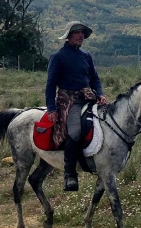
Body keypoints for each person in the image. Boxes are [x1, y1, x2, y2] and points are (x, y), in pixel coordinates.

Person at [45, 21, 108, 191]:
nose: (81, 35)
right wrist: (51, 109)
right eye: (77, 32)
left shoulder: (86, 55)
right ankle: (70, 174)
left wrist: (100, 93)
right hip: (69, 100)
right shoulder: (58, 57)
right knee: (75, 132)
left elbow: (94, 78)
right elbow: (50, 85)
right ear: (69, 35)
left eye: (82, 32)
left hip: (88, 97)